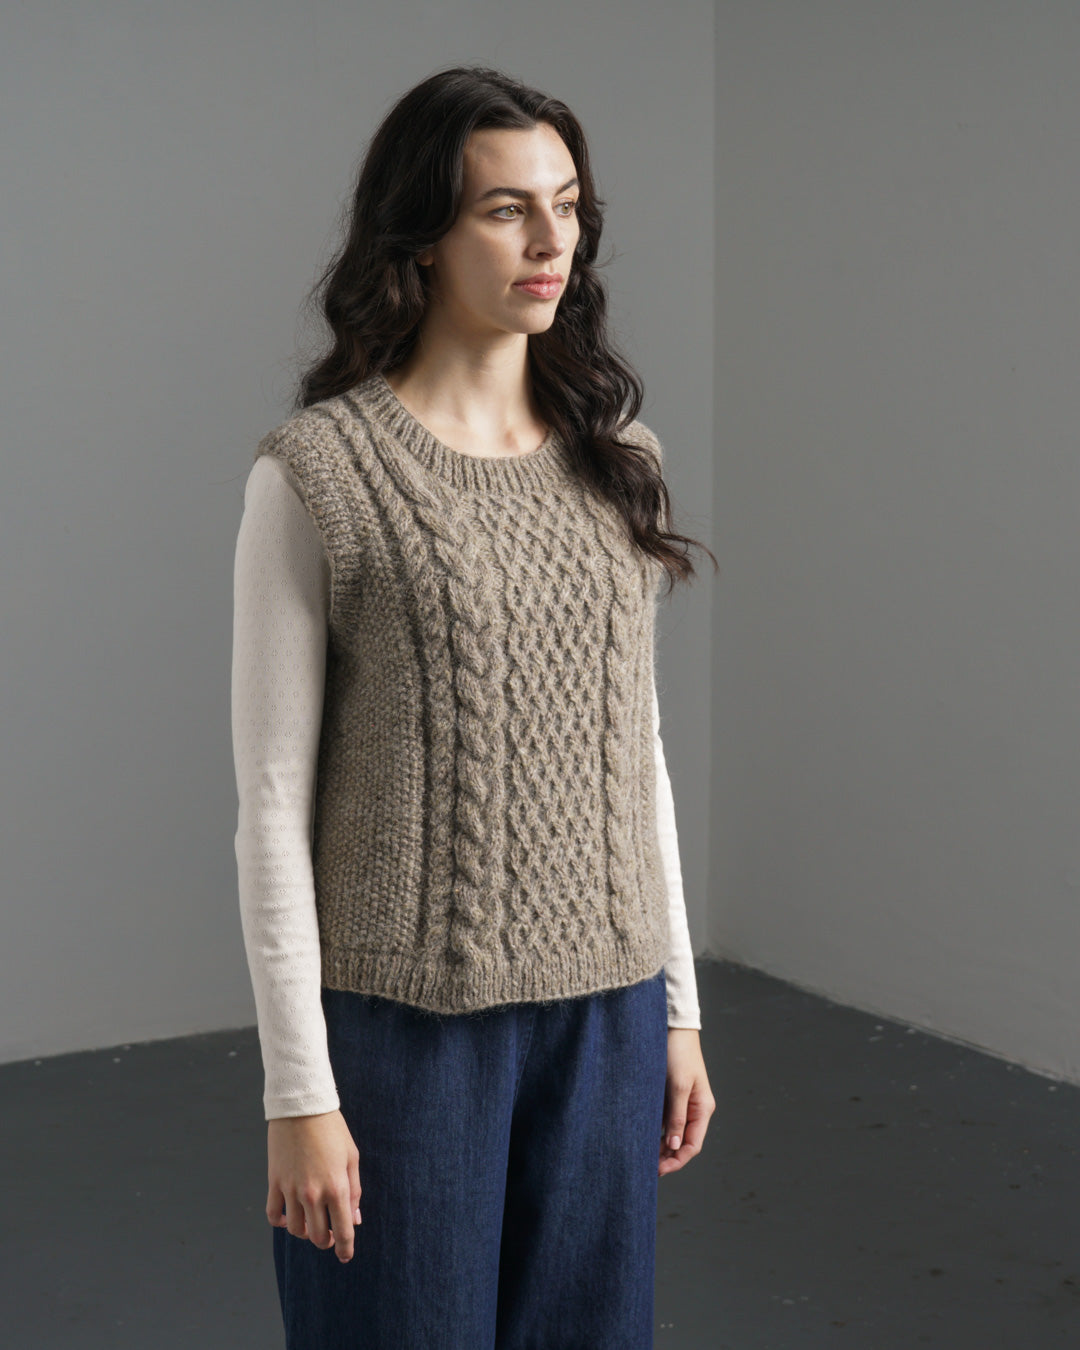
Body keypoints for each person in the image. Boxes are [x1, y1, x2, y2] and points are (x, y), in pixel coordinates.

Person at [230, 63, 719, 1350]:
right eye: (507, 210)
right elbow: (271, 805)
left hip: (608, 1017)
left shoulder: (621, 460)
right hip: (405, 1032)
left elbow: (637, 757)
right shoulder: (319, 475)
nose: (552, 240)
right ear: (422, 239)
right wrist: (298, 1091)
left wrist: (676, 1010)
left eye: (567, 204)